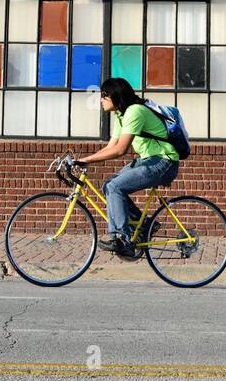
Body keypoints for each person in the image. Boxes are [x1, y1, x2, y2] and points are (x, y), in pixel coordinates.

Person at [76, 77, 179, 257]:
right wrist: (84, 159)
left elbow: (120, 150)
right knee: (108, 185)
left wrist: (87, 160)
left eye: (104, 96)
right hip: (150, 160)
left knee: (116, 187)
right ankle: (145, 225)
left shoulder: (135, 111)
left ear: (115, 96)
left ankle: (122, 239)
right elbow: (111, 147)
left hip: (163, 161)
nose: (100, 100)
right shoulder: (121, 115)